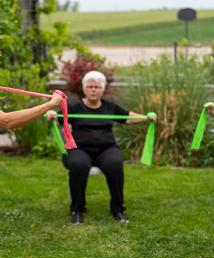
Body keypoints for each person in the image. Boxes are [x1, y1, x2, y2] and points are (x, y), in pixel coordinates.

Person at [49, 71, 156, 224]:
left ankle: (117, 209)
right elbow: (58, 118)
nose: (93, 90)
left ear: (102, 89)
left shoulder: (110, 107)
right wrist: (52, 114)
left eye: (97, 87)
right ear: (84, 89)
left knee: (115, 163)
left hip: (106, 149)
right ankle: (77, 210)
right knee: (78, 165)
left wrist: (146, 117)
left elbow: (128, 117)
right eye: (90, 86)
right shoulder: (74, 107)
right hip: (79, 149)